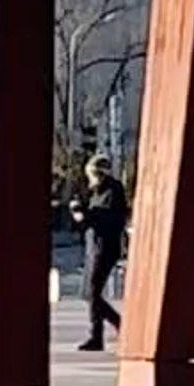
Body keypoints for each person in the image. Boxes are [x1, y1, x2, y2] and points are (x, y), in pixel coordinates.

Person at [77, 150, 131, 349]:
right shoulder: (96, 192)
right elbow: (91, 219)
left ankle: (107, 330)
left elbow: (109, 218)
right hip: (94, 245)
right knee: (87, 293)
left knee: (92, 292)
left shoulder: (112, 190)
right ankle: (100, 334)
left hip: (105, 247)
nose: (88, 179)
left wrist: (88, 215)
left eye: (90, 175)